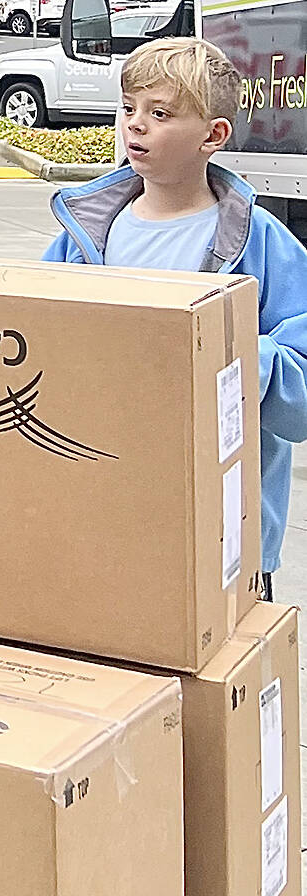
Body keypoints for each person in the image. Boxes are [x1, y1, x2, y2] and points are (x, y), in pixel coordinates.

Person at [44, 36, 307, 599]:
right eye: (128, 108)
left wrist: (229, 348)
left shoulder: (263, 245)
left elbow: (300, 399)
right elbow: (33, 343)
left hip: (223, 534)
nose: (135, 125)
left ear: (212, 136)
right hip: (99, 510)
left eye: (159, 113)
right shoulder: (80, 236)